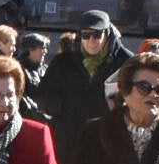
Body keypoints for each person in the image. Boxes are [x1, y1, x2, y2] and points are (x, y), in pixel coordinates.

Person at [35, 11, 126, 140]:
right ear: (80, 36)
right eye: (86, 35)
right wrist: (66, 105)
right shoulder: (62, 62)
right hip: (68, 139)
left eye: (97, 35)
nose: (91, 40)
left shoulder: (125, 62)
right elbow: (42, 97)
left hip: (107, 138)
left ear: (108, 34)